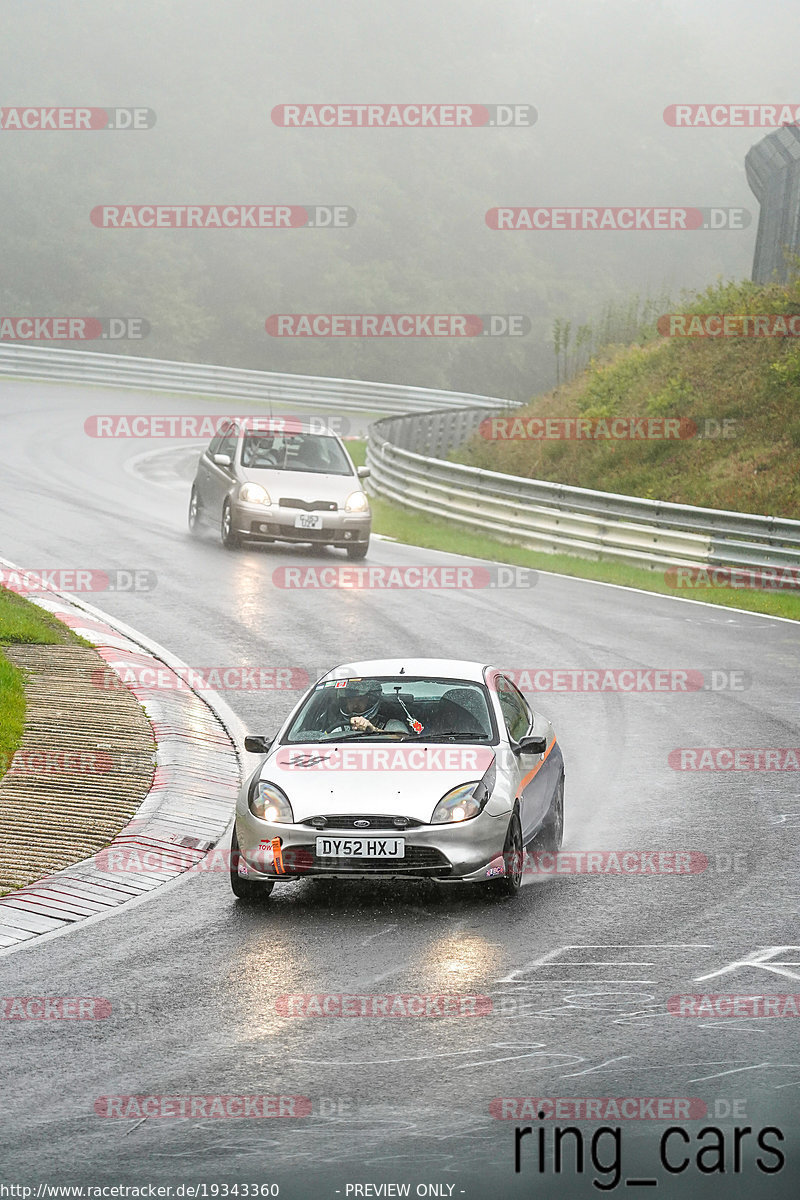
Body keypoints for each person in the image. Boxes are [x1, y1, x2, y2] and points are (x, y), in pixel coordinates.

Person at [334, 680, 408, 735]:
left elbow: (404, 740)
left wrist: (373, 729)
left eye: (360, 700)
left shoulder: (392, 724)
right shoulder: (339, 727)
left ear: (371, 701)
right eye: (350, 701)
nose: (355, 705)